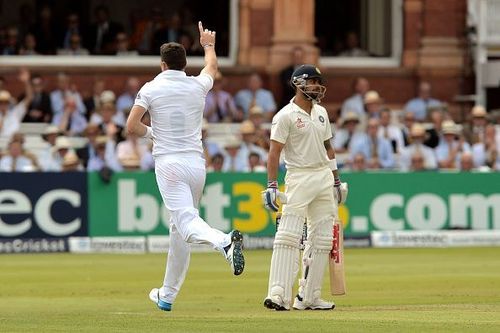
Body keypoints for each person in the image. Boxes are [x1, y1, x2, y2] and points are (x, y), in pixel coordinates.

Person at [126, 21, 245, 312]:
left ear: (163, 64)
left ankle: (224, 241)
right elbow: (212, 68)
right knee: (178, 229)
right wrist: (209, 45)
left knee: (187, 225)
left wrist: (153, 133)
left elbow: (131, 126)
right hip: (196, 165)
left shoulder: (151, 88)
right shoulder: (196, 85)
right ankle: (167, 295)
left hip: (169, 164)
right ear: (184, 63)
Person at [262, 64, 348, 311]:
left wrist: (336, 180)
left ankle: (309, 296)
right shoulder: (285, 116)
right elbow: (274, 152)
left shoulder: (321, 112)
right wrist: (271, 185)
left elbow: (328, 148)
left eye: (319, 82)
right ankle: (278, 293)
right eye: (312, 81)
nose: (318, 87)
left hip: (323, 176)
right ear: (298, 83)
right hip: (299, 176)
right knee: (288, 234)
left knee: (321, 239)